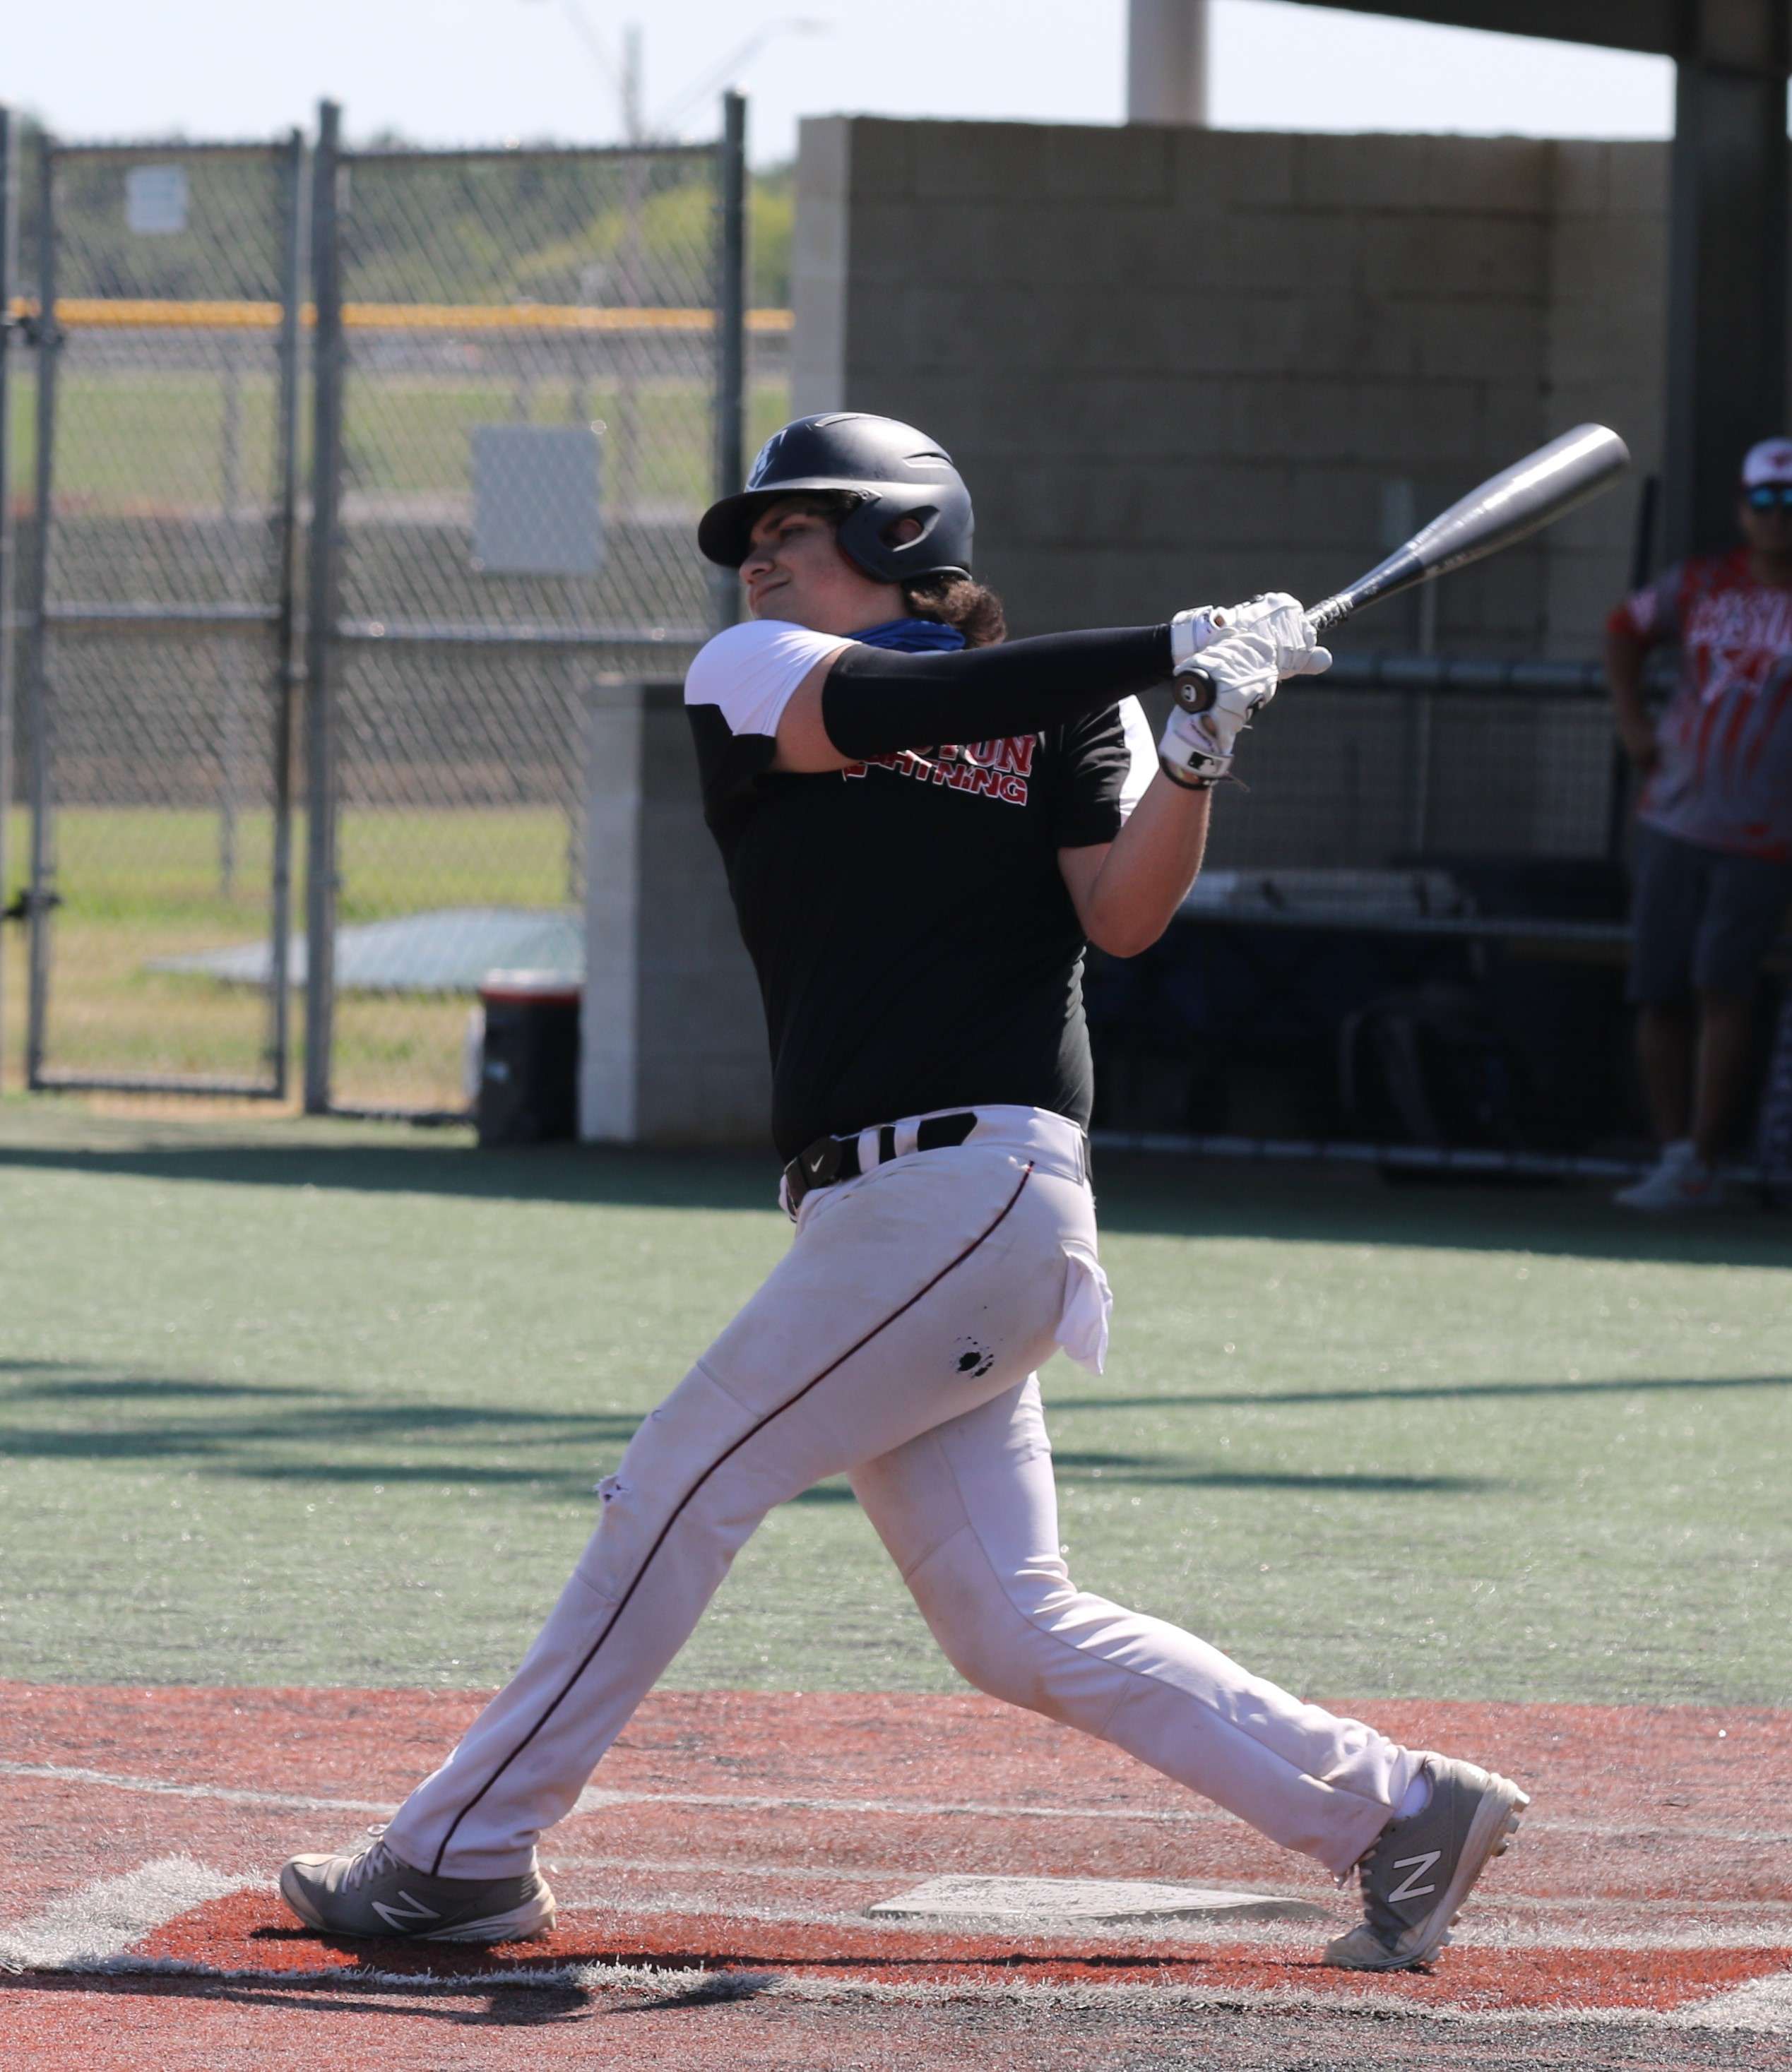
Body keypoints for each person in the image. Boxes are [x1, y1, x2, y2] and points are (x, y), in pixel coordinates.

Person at [279, 412, 1526, 1972]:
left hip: (975, 1186)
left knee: (676, 1480)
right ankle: (1399, 1808)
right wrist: (1167, 643)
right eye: (754, 539)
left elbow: (1123, 915)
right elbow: (891, 707)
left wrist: (1197, 742)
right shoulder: (755, 674)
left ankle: (460, 1854)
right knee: (1009, 1621)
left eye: (791, 531)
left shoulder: (1072, 715)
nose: (756, 559)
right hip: (884, 1213)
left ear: (898, 536)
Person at [1606, 436, 1792, 1210]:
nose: (1777, 516)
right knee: (1657, 988)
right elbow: (1623, 627)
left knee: (1723, 986)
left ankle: (1705, 1161)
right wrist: (1632, 724)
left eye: (1789, 503)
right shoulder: (1700, 583)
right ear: (1742, 508)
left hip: (1763, 834)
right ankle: (1672, 1153)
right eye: (1764, 501)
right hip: (1673, 817)